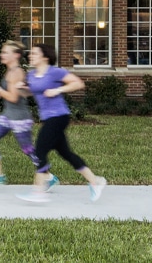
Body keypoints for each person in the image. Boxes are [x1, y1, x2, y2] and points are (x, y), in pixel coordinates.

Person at [17, 43, 109, 203]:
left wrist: (57, 90)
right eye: (30, 53)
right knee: (66, 153)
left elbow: (78, 83)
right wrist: (21, 90)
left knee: (40, 151)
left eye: (35, 53)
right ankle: (96, 181)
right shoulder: (31, 75)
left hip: (59, 116)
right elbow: (33, 91)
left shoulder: (55, 72)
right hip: (48, 117)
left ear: (45, 57)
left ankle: (38, 191)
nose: (30, 56)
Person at [0, 40, 47, 187]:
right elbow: (14, 93)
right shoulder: (10, 70)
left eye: (5, 52)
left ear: (15, 55)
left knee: (28, 149)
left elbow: (13, 98)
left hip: (19, 117)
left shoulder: (16, 72)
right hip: (8, 115)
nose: (1, 54)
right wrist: (1, 92)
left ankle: (48, 175)